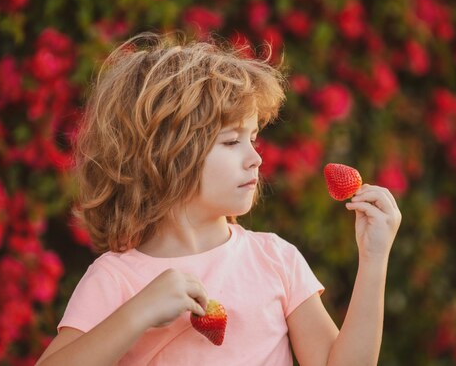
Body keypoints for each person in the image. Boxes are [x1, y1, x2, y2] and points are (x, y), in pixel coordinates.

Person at [36, 32, 401, 366]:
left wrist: (373, 259)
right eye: (231, 142)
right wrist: (138, 313)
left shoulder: (275, 259)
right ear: (165, 155)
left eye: (253, 138)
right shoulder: (116, 279)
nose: (255, 157)